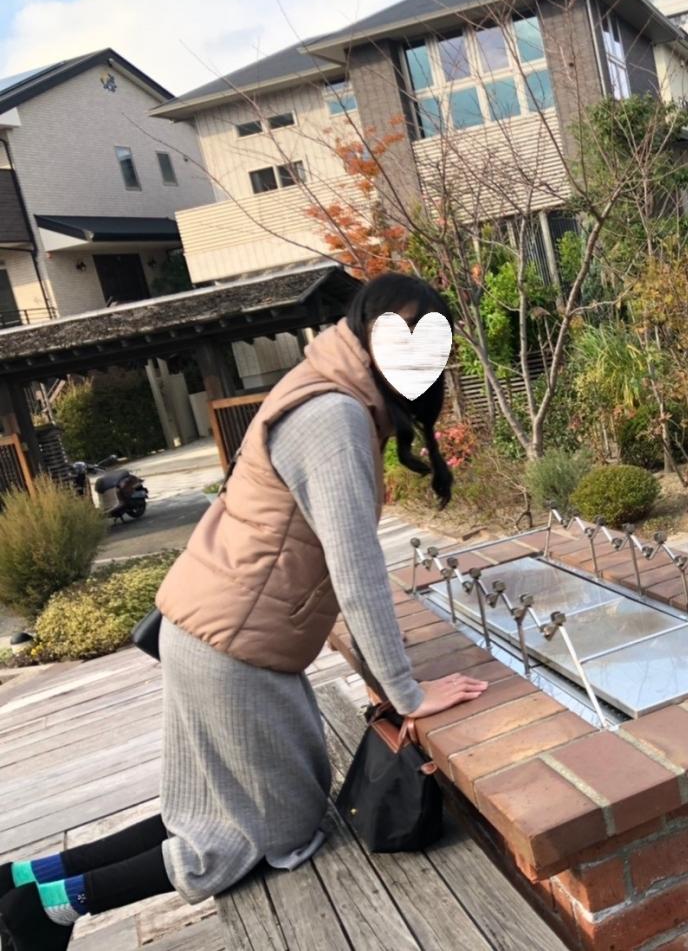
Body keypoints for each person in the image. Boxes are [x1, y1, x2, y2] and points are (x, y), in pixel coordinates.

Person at [0, 273, 489, 949]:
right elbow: (356, 569)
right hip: (235, 650)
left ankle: (26, 878)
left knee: (210, 808)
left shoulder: (324, 390)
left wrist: (379, 666)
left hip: (212, 632)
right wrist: (407, 691)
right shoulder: (336, 416)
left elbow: (310, 553)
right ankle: (52, 908)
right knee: (274, 830)